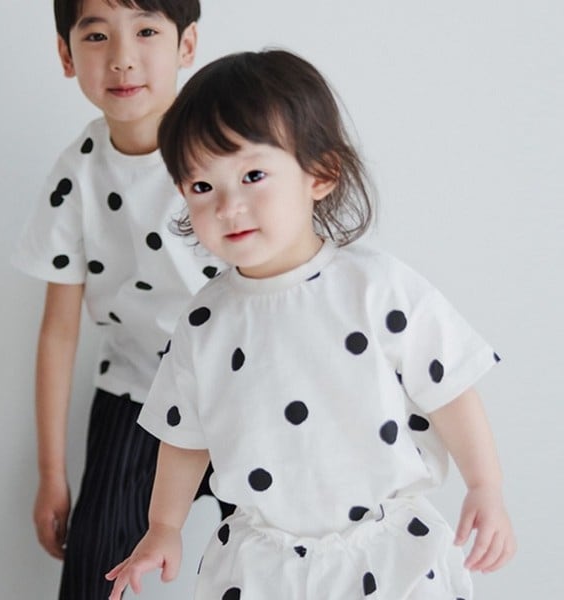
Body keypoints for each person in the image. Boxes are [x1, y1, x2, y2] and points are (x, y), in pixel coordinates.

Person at [106, 49, 516, 600]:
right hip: (264, 566)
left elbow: (449, 390)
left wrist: (485, 486)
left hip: (388, 553)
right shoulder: (206, 320)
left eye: (253, 175)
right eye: (202, 186)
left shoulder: (375, 288)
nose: (228, 206)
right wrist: (164, 526)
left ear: (320, 173)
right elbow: (184, 435)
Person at [12, 1, 234, 598]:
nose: (122, 58)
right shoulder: (77, 174)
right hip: (137, 394)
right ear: (66, 55)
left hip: (241, 386)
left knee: (278, 559)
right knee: (94, 572)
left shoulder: (227, 154)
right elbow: (59, 331)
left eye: (146, 31)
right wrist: (52, 473)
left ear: (187, 45)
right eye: (96, 36)